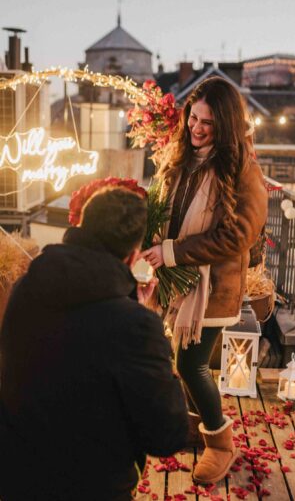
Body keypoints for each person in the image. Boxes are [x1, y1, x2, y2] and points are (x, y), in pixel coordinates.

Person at [0, 186, 188, 501]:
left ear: (79, 228)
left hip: (16, 480)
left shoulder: (24, 288)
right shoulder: (136, 327)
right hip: (91, 488)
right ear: (132, 256)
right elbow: (168, 435)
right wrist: (150, 325)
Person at [142, 76, 268, 484]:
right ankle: (191, 422)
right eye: (192, 117)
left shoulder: (243, 169)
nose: (195, 128)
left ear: (227, 125)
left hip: (212, 288)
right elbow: (164, 206)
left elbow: (238, 235)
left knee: (191, 363)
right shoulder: (182, 155)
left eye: (207, 123)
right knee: (174, 358)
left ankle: (219, 443)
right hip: (173, 279)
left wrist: (172, 252)